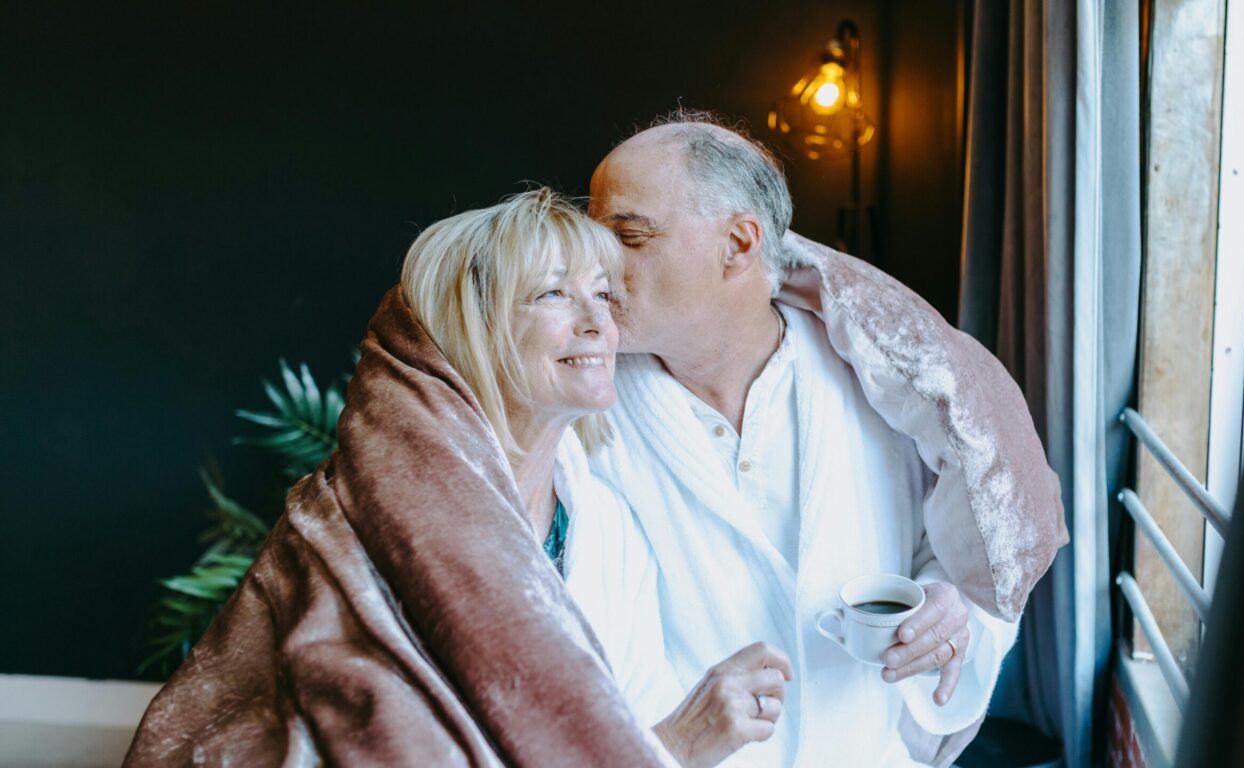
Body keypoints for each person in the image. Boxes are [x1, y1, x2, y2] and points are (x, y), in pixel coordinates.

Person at [124, 188, 788, 768]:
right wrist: (680, 743)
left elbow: (627, 732)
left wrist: (678, 740)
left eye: (605, 295)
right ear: (478, 325)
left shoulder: (609, 531)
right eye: (553, 292)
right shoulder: (364, 517)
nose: (597, 323)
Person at [586, 113, 1068, 767]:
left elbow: (954, 538)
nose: (595, 261)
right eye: (591, 233)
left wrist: (949, 602)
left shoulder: (875, 386)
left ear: (738, 243)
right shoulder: (583, 415)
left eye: (629, 235)